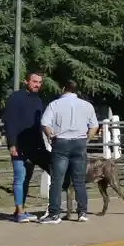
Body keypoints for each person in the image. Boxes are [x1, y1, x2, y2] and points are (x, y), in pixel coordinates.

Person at [40, 80, 99, 224]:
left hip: (61, 142)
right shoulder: (87, 105)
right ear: (77, 90)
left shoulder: (54, 104)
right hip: (79, 142)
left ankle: (54, 214)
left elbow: (44, 123)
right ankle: (82, 212)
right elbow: (94, 126)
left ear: (63, 88)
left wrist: (50, 135)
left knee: (57, 180)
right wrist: (87, 139)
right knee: (79, 181)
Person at [2, 71, 48, 223]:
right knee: (19, 177)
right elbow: (10, 122)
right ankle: (20, 212)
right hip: (18, 145)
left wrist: (42, 144)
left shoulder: (38, 100)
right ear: (26, 81)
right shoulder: (15, 98)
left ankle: (19, 210)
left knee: (27, 178)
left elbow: (38, 125)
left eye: (39, 82)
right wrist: (12, 143)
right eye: (34, 81)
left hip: (34, 145)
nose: (37, 85)